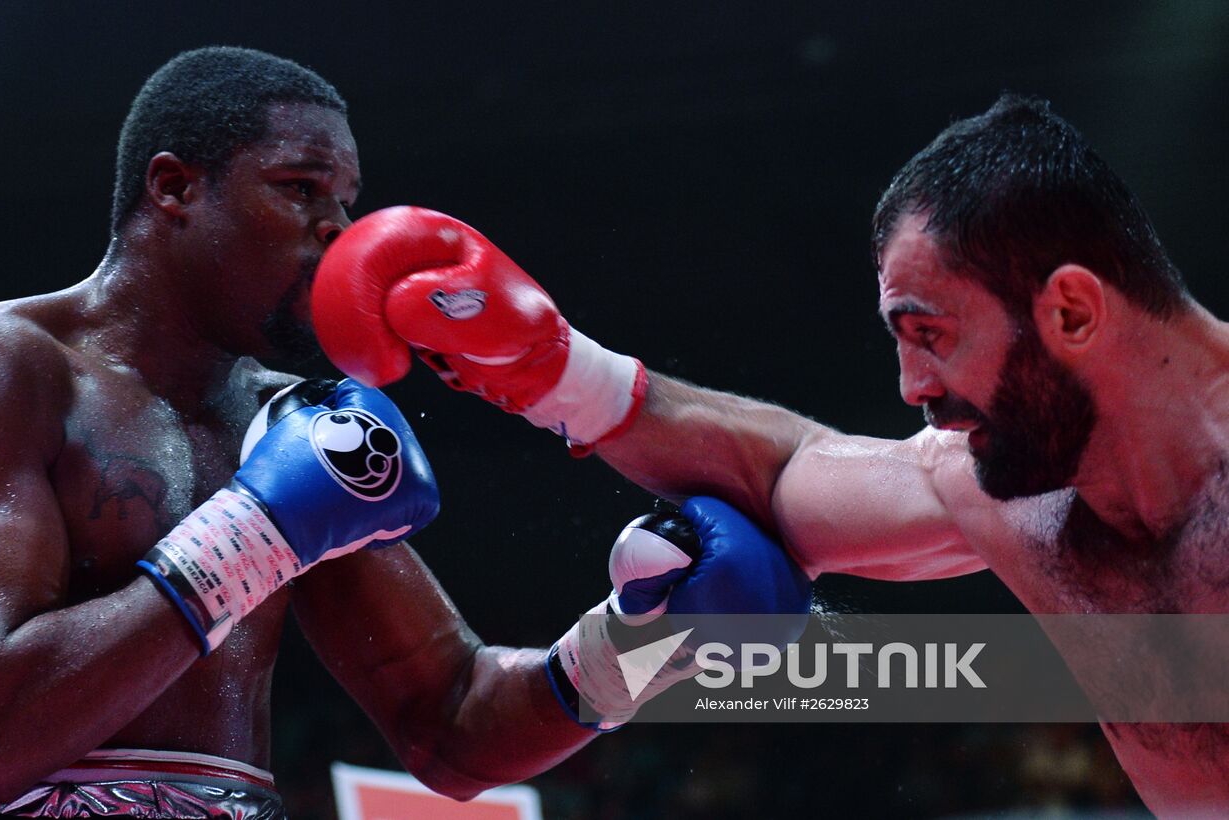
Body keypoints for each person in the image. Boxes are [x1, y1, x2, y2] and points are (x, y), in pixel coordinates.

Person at [0, 46, 810, 818]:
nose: (338, 231)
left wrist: (642, 645)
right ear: (174, 188)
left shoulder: (296, 421)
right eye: (301, 188)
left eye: (345, 200)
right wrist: (259, 535)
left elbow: (451, 722)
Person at [313, 93, 1229, 816]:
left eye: (933, 334)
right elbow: (789, 478)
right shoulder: (1006, 487)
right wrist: (557, 371)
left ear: (1070, 312)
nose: (914, 387)